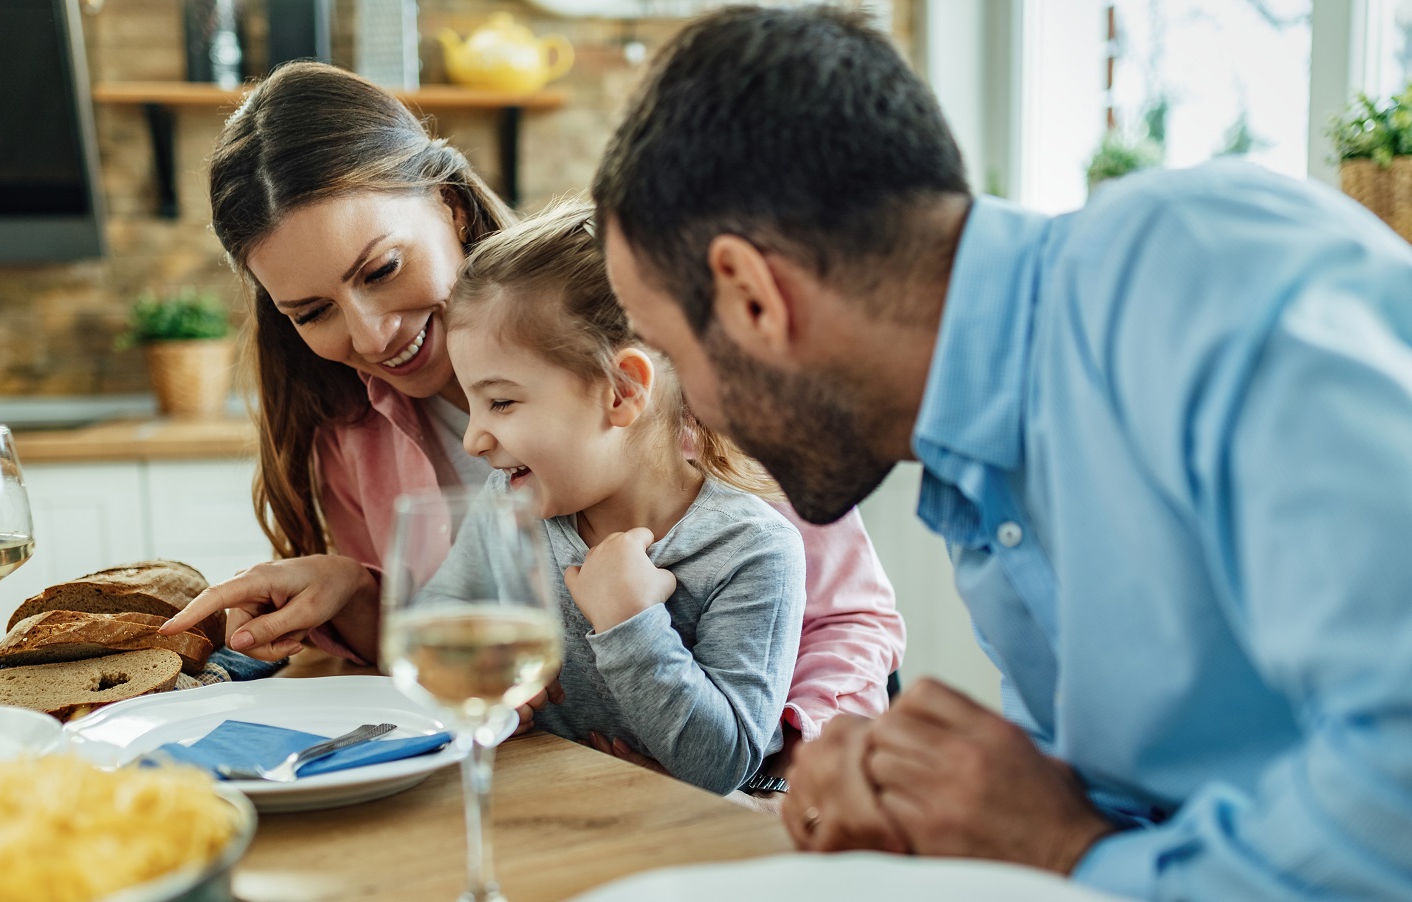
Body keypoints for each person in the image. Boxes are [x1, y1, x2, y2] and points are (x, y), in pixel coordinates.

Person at [591, 6, 1412, 900]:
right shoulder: (972, 460)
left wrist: (1071, 856)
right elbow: (1115, 807)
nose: (682, 408)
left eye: (667, 353)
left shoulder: (1189, 276)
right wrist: (938, 809)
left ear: (753, 297)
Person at [159, 62, 904, 773]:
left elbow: (850, 623)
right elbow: (448, 661)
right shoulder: (344, 434)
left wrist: (774, 784)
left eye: (382, 269)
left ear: (449, 205)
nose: (368, 334)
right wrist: (358, 595)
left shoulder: (684, 356)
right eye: (313, 311)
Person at [421, 200, 804, 794]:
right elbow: (438, 618)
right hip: (550, 813)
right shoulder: (510, 504)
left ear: (621, 392)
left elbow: (723, 764)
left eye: (501, 402)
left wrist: (631, 622)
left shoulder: (751, 550)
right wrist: (475, 675)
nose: (473, 438)